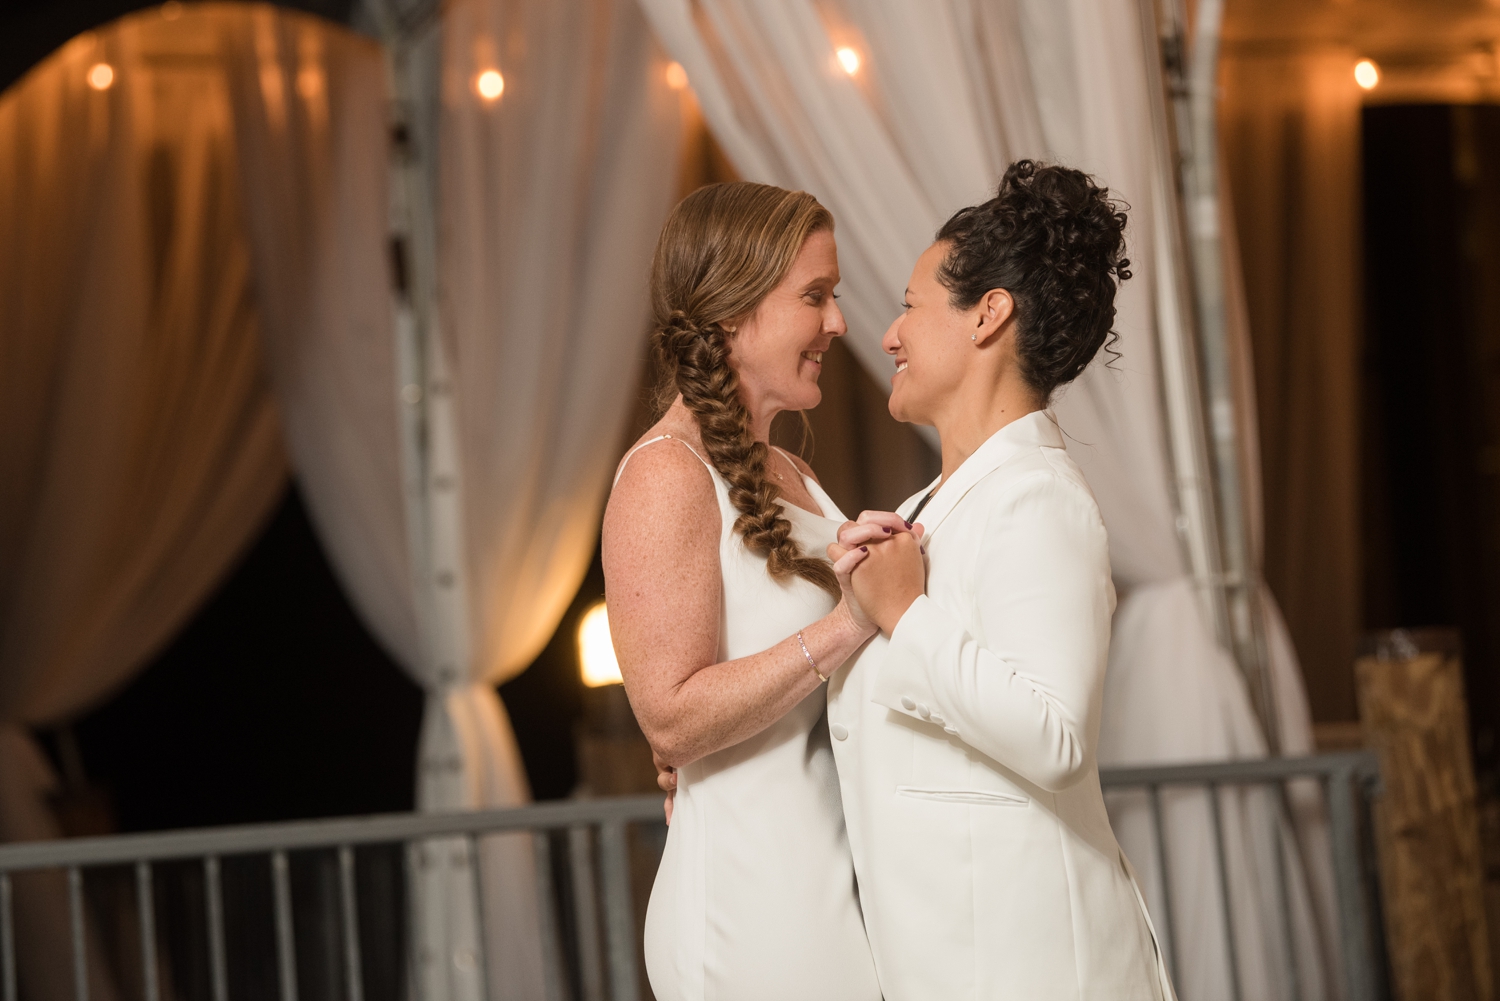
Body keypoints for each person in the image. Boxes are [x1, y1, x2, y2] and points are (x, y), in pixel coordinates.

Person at [828, 160, 1175, 1000]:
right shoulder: (924, 508)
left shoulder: (1039, 498)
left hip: (1036, 966)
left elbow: (1055, 736)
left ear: (988, 313)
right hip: (953, 962)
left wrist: (907, 614)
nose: (889, 335)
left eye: (910, 305)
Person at [601, 182, 881, 1001]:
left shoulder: (789, 470)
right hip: (755, 904)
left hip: (833, 876)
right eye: (816, 296)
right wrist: (848, 623)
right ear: (732, 312)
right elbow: (672, 715)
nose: (837, 323)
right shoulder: (664, 475)